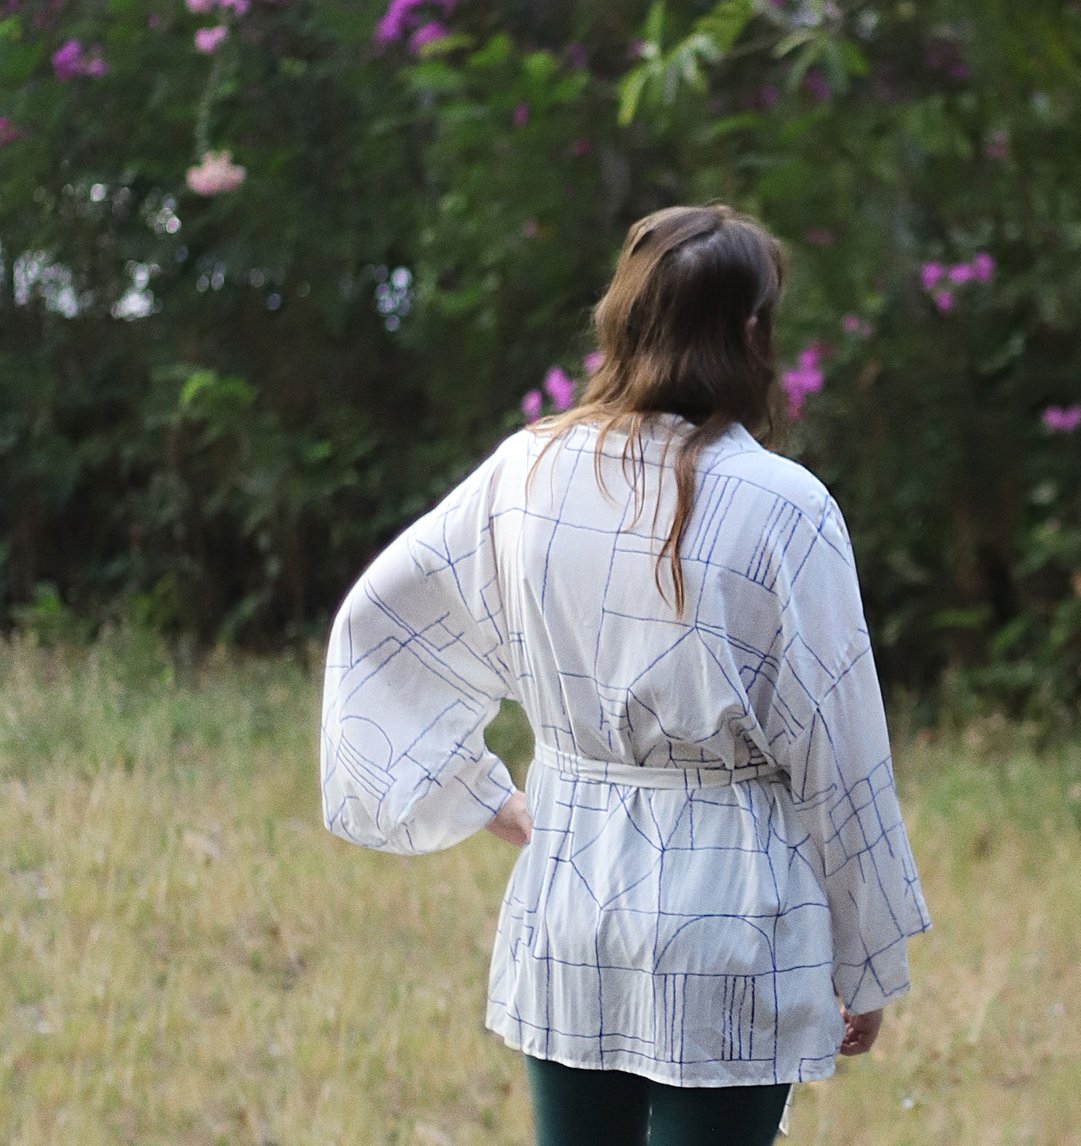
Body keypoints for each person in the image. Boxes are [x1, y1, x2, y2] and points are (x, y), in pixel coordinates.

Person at [319, 204, 930, 1146]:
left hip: (570, 893)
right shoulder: (785, 508)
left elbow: (384, 626)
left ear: (626, 319)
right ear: (750, 332)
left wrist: (488, 795)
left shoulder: (528, 471)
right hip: (730, 918)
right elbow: (840, 757)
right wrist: (866, 963)